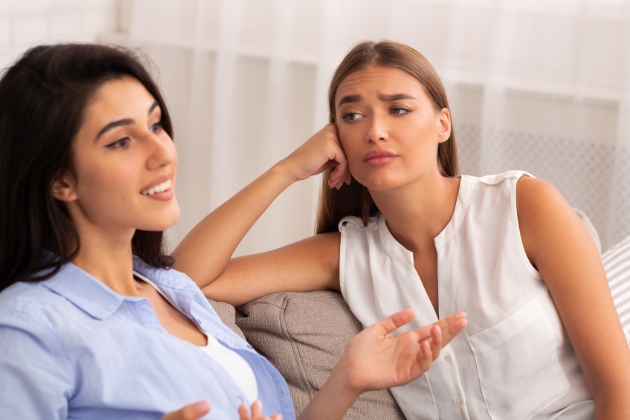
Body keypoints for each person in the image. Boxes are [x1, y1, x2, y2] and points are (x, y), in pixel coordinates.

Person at [0, 44, 469, 420]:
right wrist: (287, 169)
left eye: (156, 124)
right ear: (59, 180)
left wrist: (348, 378)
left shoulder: (167, 288)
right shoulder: (26, 328)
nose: (163, 152)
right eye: (122, 140)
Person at [175, 41, 630, 419]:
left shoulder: (524, 206)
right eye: (352, 116)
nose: (375, 131)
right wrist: (286, 170)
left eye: (398, 109)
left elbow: (617, 388)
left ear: (442, 125)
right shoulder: (342, 255)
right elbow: (186, 279)